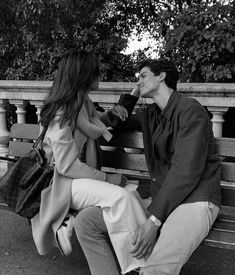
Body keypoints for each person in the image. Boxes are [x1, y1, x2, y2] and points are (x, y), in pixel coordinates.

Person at [74, 59, 221, 275]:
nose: (139, 80)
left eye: (143, 75)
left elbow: (185, 172)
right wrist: (133, 94)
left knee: (155, 270)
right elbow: (117, 124)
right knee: (86, 222)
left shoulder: (190, 111)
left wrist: (153, 222)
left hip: (195, 201)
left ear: (161, 76)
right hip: (162, 200)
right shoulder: (151, 114)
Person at [31, 49, 148, 274]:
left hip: (74, 178)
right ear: (83, 76)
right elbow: (66, 165)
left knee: (130, 193)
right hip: (60, 183)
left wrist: (112, 114)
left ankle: (140, 262)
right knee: (121, 197)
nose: (99, 76)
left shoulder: (82, 103)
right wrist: (107, 178)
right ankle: (138, 266)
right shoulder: (62, 112)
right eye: (96, 72)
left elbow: (90, 126)